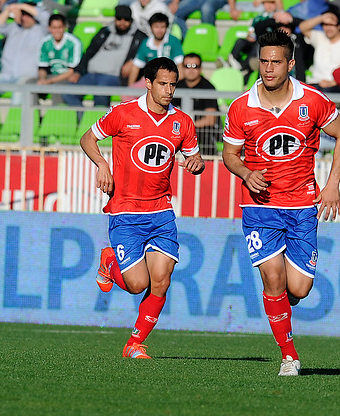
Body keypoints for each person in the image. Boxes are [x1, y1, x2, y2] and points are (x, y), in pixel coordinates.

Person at [222, 28, 340, 376]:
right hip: (259, 208)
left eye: (276, 62)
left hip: (302, 207)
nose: (268, 68)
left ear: (290, 63)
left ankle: (286, 301)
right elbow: (229, 155)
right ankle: (289, 357)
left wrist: (332, 184)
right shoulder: (241, 107)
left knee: (300, 288)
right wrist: (245, 172)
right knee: (274, 281)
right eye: (263, 61)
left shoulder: (312, 100)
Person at [80, 57, 205, 359]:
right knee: (138, 285)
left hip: (161, 212)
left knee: (161, 280)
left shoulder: (182, 122)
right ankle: (109, 263)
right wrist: (102, 165)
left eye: (172, 84)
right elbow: (87, 138)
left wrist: (196, 165)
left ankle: (134, 343)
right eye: (162, 83)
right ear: (148, 83)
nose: (168, 90)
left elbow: (194, 159)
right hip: (125, 210)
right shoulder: (123, 114)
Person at [63, 5, 147, 108]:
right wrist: (78, 72)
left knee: (100, 94)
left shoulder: (140, 37)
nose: (122, 22)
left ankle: (101, 122)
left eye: (126, 19)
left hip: (112, 77)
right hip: (91, 74)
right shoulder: (104, 32)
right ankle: (82, 118)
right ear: (115, 19)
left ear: (131, 20)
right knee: (67, 92)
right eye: (119, 18)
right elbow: (89, 53)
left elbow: (147, 54)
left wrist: (133, 61)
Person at [0, 1, 50, 103]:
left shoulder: (41, 30)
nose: (24, 18)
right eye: (22, 14)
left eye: (28, 15)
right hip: (7, 75)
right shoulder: (14, 28)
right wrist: (9, 9)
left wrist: (21, 6)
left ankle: (14, 119)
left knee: (18, 94)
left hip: (27, 77)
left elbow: (45, 17)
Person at [299, 8, 340, 93]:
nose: (328, 28)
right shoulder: (320, 37)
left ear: (339, 26)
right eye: (325, 25)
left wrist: (332, 83)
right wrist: (321, 18)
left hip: (336, 85)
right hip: (315, 82)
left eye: (332, 25)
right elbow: (302, 27)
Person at [172, 53, 220, 155]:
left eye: (195, 66)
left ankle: (209, 165)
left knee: (205, 135)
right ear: (182, 68)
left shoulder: (208, 88)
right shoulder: (177, 87)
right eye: (187, 66)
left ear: (200, 69)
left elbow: (210, 120)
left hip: (203, 130)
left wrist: (187, 127)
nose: (191, 70)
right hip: (182, 128)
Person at [127, 12, 183, 86]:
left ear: (167, 28)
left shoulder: (174, 41)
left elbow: (180, 67)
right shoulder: (146, 43)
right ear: (151, 27)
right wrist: (130, 87)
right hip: (151, 80)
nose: (159, 30)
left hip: (170, 79)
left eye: (162, 27)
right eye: (156, 27)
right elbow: (136, 66)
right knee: (127, 95)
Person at [37, 13, 82, 105]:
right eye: (54, 27)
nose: (57, 31)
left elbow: (72, 71)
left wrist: (50, 81)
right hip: (51, 75)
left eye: (60, 27)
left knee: (58, 88)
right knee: (30, 86)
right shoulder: (45, 42)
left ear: (65, 27)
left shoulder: (73, 42)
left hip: (66, 77)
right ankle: (32, 116)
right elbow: (42, 67)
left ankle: (57, 117)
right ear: (49, 28)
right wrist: (42, 80)